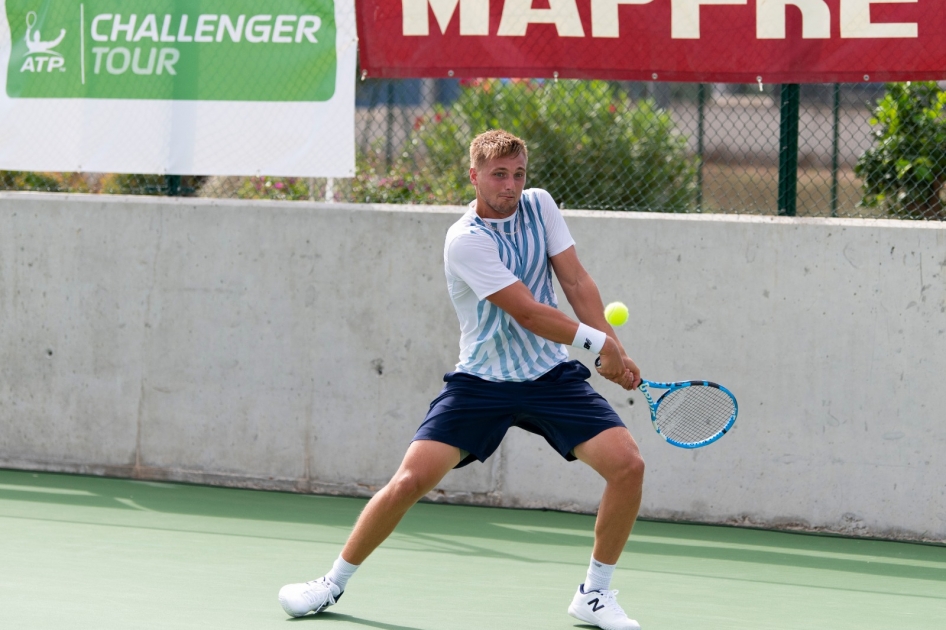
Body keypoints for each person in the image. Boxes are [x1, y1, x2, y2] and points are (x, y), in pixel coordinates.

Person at [278, 129, 646, 630]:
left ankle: (594, 595)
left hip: (549, 375)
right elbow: (530, 314)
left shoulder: (540, 206)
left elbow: (576, 281)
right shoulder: (465, 241)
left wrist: (614, 346)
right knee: (411, 480)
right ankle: (330, 583)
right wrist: (599, 345)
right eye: (499, 176)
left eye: (518, 174)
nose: (511, 186)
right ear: (474, 177)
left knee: (627, 466)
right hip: (481, 382)